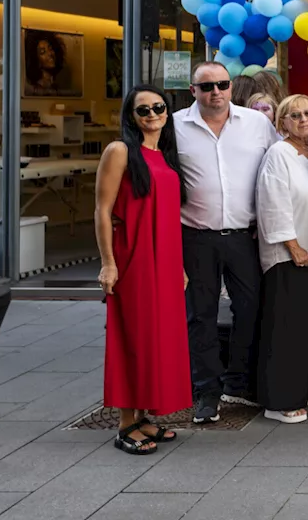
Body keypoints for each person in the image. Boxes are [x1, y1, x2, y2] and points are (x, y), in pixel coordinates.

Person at [175, 63, 280, 424]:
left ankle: (238, 381)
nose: (215, 92)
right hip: (194, 237)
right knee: (200, 315)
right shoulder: (175, 126)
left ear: (231, 86)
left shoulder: (257, 124)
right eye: (206, 87)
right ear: (193, 91)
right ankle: (206, 390)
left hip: (243, 236)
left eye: (221, 85)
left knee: (250, 309)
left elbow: (280, 166)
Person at [96, 85, 191, 454]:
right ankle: (124, 425)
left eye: (158, 107)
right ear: (131, 117)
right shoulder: (120, 151)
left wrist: (179, 265)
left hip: (165, 260)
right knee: (132, 337)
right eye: (143, 110)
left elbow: (169, 216)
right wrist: (108, 263)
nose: (152, 114)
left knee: (158, 338)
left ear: (167, 111)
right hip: (133, 257)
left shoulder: (165, 156)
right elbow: (103, 210)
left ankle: (143, 417)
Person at [255, 95, 308, 424]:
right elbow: (273, 203)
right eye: (294, 115)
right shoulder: (278, 154)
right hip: (288, 254)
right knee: (286, 328)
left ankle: (306, 387)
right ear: (282, 121)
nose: (303, 119)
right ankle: (279, 399)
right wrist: (293, 246)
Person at [25, 30, 72, 95]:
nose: (50, 54)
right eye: (43, 52)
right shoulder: (35, 91)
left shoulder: (57, 88)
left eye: (50, 48)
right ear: (35, 59)